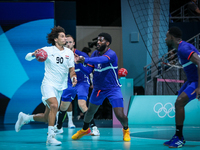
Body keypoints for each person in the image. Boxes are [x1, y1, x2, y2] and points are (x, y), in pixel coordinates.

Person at [15, 26, 77, 146]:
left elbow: (72, 70)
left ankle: (26, 118)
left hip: (60, 87)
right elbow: (27, 57)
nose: (65, 39)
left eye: (65, 36)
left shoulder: (69, 53)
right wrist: (34, 54)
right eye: (62, 36)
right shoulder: (47, 50)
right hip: (48, 84)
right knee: (54, 105)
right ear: (56, 39)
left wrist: (74, 77)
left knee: (46, 117)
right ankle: (51, 137)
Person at [71, 32, 131, 142]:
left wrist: (85, 59)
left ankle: (126, 129)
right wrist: (79, 63)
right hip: (98, 89)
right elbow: (88, 70)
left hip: (113, 88)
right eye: (97, 40)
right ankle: (85, 130)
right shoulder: (94, 53)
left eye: (101, 40)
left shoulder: (111, 54)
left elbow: (101, 60)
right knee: (89, 112)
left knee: (120, 114)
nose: (98, 42)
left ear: (107, 43)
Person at [54, 35, 100, 136]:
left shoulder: (81, 55)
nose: (68, 44)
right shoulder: (62, 55)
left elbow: (89, 70)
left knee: (82, 104)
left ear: (74, 43)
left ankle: (94, 128)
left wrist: (78, 62)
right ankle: (59, 127)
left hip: (82, 82)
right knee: (63, 106)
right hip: (69, 82)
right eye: (66, 42)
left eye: (70, 42)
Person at [164, 26, 200, 148]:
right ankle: (178, 136)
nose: (165, 39)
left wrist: (199, 87)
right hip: (191, 80)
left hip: (197, 81)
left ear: (172, 38)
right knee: (178, 101)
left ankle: (179, 138)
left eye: (167, 36)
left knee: (179, 102)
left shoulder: (183, 48)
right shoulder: (181, 48)